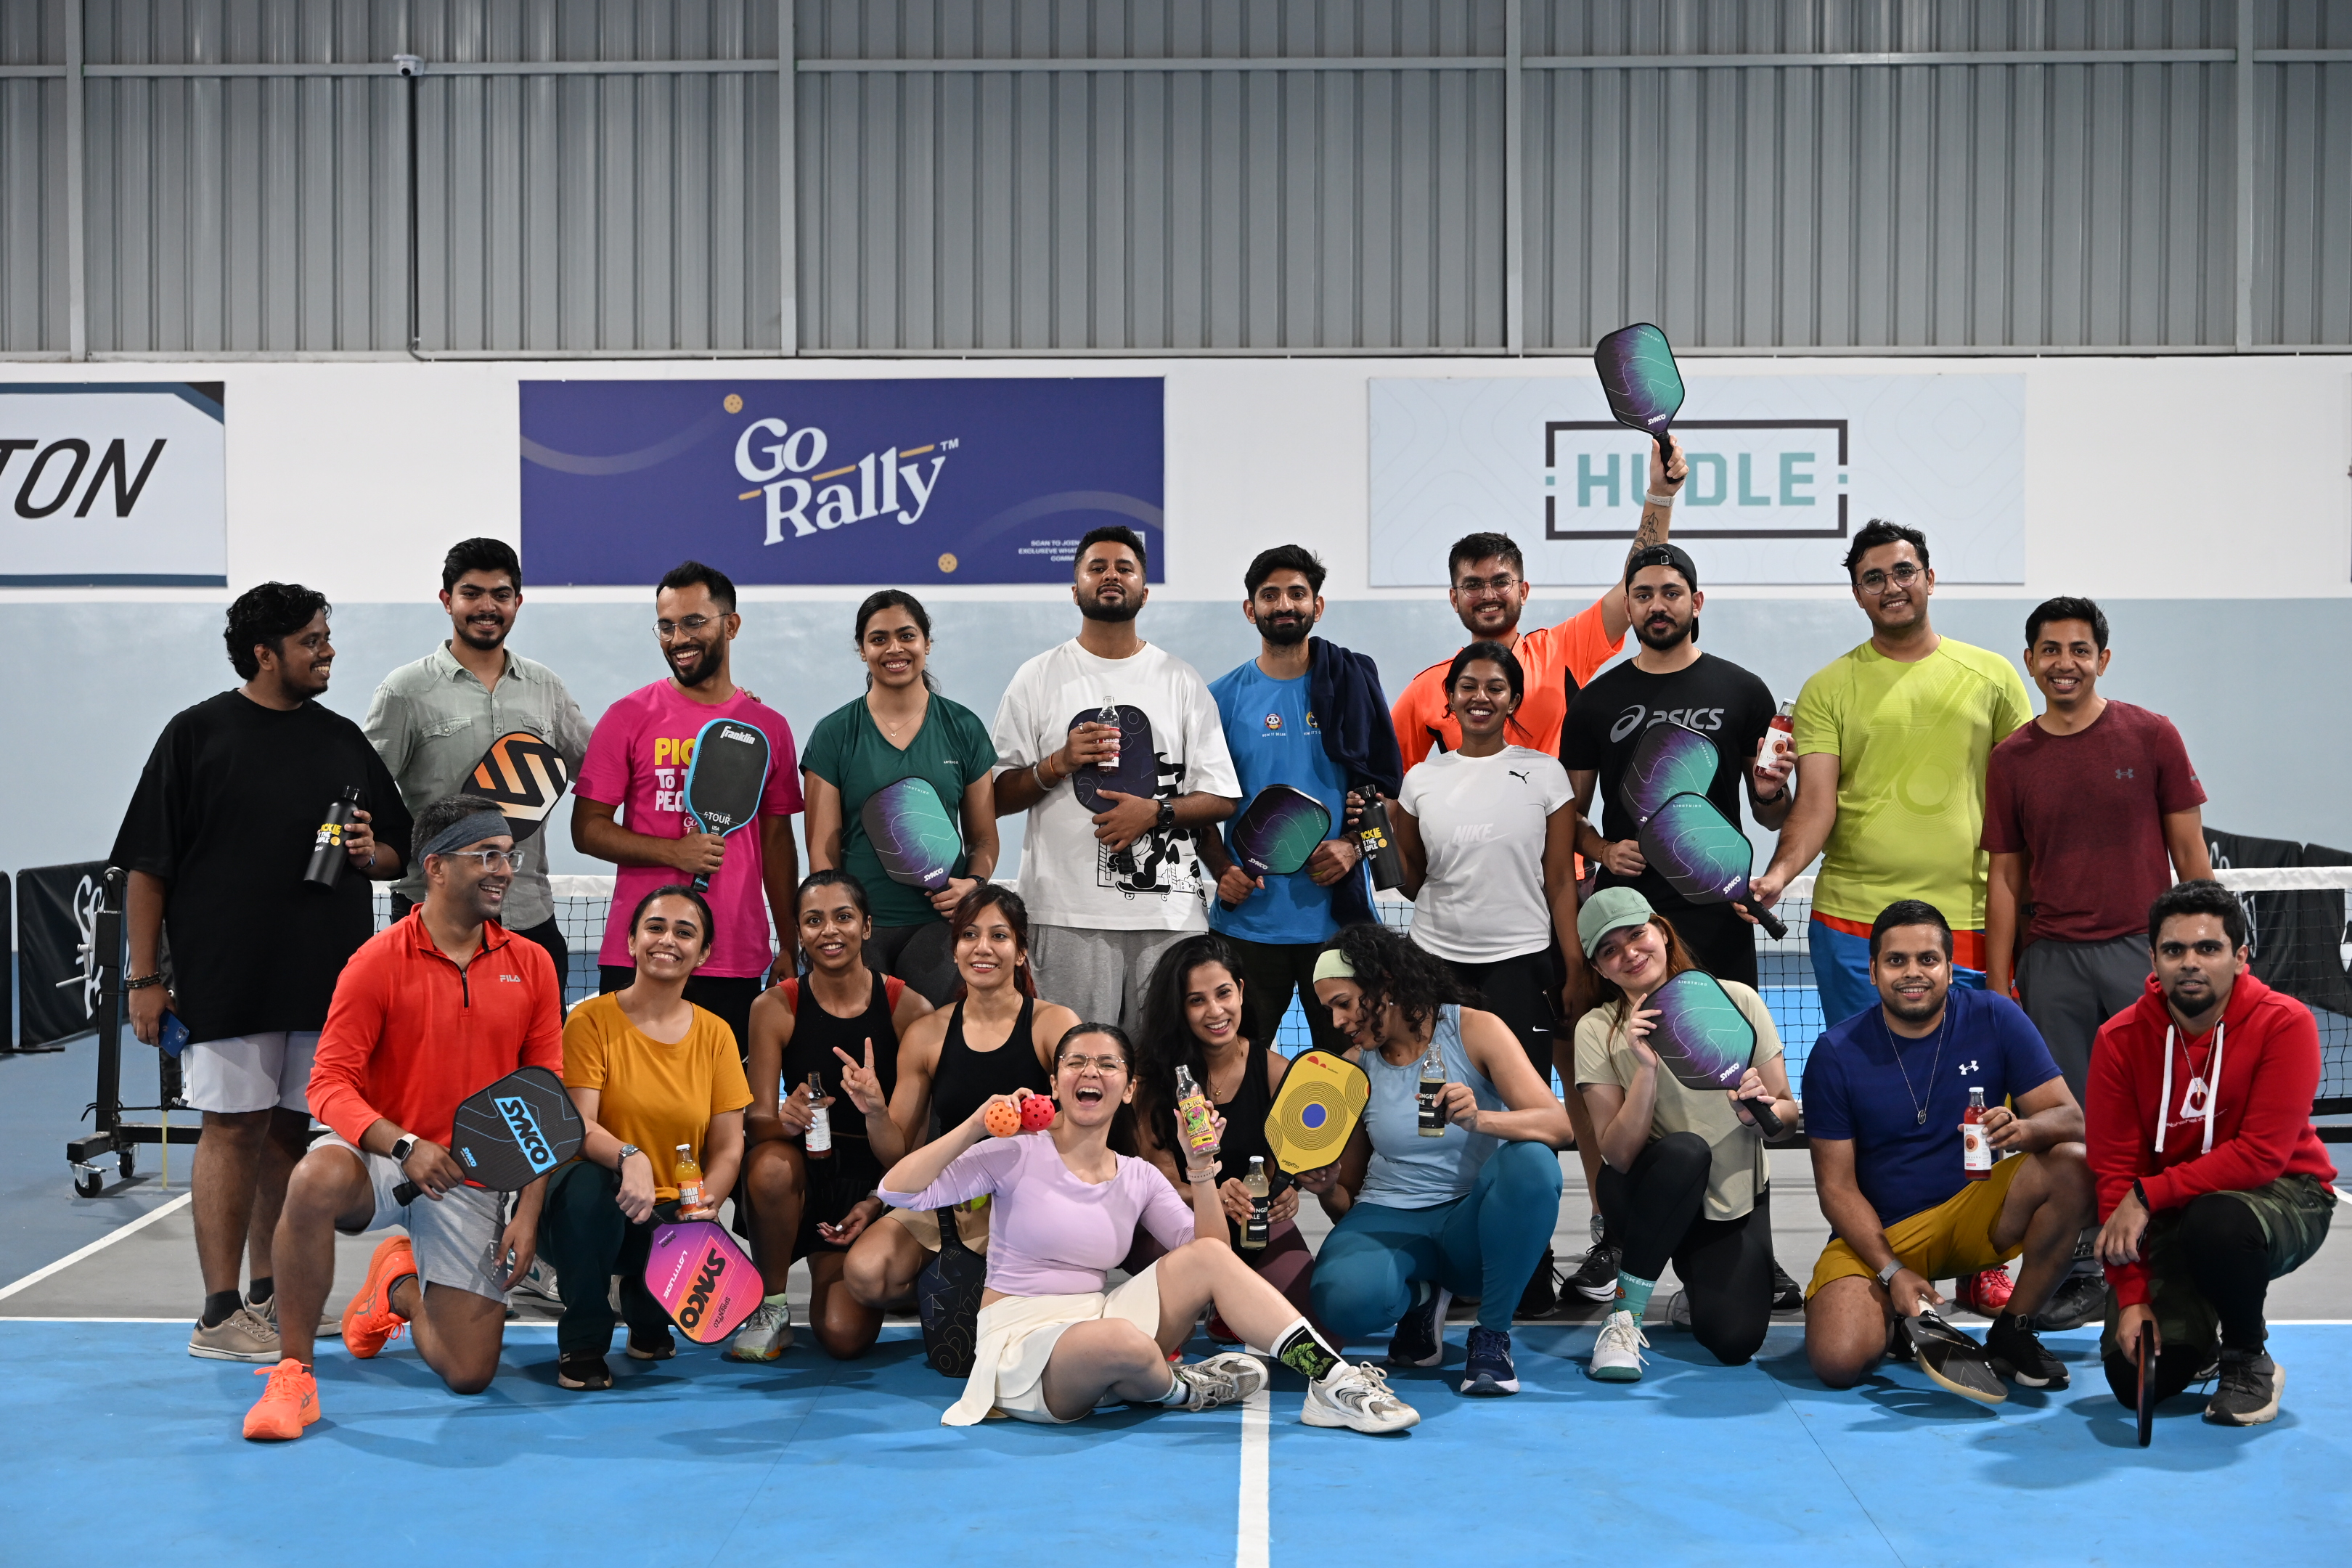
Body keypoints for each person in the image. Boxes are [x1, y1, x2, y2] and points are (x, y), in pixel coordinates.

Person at [113, 581, 412, 1366]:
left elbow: (395, 855)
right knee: (232, 1129)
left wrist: (365, 853)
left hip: (327, 984)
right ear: (265, 653)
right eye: (312, 640)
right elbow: (147, 868)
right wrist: (145, 980)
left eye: (326, 636)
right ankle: (219, 1313)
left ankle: (269, 1297)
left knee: (287, 1132)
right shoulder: (195, 735)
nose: (328, 651)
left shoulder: (344, 738)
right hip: (228, 980)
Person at [1749, 521, 2034, 1318]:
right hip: (1852, 927)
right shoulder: (1830, 687)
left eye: (1903, 571)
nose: (1891, 586)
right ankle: (1888, 1254)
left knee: (1980, 1099)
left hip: (1976, 924)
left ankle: (1982, 1255)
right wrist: (1777, 873)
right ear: (1857, 591)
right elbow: (1814, 807)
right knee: (1879, 1103)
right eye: (1873, 577)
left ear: (1930, 578)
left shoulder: (1991, 676)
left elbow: (2023, 800)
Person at [877, 1022, 1419, 1433]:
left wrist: (1201, 1164)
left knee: (1155, 1308)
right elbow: (897, 1190)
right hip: (1023, 1340)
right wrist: (975, 1125)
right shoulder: (1011, 1153)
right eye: (1076, 1062)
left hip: (1097, 1315)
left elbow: (1210, 1259)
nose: (1091, 1072)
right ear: (1054, 1082)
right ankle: (1181, 1389)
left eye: (1107, 1064)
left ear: (1129, 1088)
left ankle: (1331, 1380)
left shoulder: (1136, 1176)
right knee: (1122, 1345)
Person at [241, 798, 561, 1440]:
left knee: (470, 1373)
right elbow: (327, 1084)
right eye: (488, 856)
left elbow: (542, 1101)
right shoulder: (377, 962)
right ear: (436, 868)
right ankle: (294, 1375)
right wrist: (403, 1143)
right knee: (312, 1181)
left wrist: (526, 1214)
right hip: (385, 1158)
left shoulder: (533, 965)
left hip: (471, 1180)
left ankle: (398, 1287)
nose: (505, 870)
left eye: (509, 855)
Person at [1983, 595, 2210, 1331]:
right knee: (2073, 1130)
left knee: (2160, 1120)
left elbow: (2191, 858)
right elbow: (2006, 880)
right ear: (2031, 662)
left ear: (2103, 660)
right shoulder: (2012, 759)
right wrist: (1997, 987)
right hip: (2051, 966)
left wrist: (2206, 953)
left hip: (2141, 961)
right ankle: (2082, 1267)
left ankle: (2165, 1265)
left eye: (2080, 650)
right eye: (2050, 650)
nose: (2065, 663)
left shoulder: (2152, 736)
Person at [1800, 899, 2096, 1401]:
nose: (1912, 973)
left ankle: (2014, 1331)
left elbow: (2071, 1118)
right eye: (1896, 961)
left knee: (2074, 1165)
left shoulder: (1996, 1017)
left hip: (1975, 1212)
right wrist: (1892, 1271)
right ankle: (1896, 1317)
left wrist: (2023, 1129)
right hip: (1881, 1233)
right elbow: (1836, 1188)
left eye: (1927, 960)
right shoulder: (1835, 1053)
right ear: (1872, 971)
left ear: (1950, 969)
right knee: (1839, 1361)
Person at [2087, 881, 2336, 1427]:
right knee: (2137, 1386)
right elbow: (2113, 1171)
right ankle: (2194, 1337)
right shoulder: (2119, 1040)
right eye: (2174, 950)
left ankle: (2247, 1358)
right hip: (2170, 1210)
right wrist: (2131, 1296)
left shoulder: (2284, 1023)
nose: (2190, 963)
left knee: (2217, 1224)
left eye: (2208, 948)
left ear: (2240, 957)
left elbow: (2261, 1157)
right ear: (2153, 958)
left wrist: (2147, 1193)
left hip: (2284, 1197)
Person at [1387, 640, 1581, 1315]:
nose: (1479, 697)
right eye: (1467, 686)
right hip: (1434, 967)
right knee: (1436, 1116)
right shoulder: (1421, 781)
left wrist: (1574, 967)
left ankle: (1527, 1269)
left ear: (1514, 701)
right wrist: (1381, 830)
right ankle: (1440, 1262)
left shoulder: (1545, 774)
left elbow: (1561, 880)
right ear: (1449, 700)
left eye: (1495, 687)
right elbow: (1411, 883)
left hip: (1521, 964)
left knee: (1519, 1115)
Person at [1305, 924, 1572, 1399]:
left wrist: (1481, 1119)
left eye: (1343, 1002)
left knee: (1533, 1163)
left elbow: (1558, 1126)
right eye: (1330, 1009)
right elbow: (1345, 1199)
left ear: (1383, 981)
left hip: (1470, 1226)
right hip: (1388, 1216)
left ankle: (1491, 1337)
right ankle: (1422, 1298)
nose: (1338, 1020)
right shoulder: (1352, 1067)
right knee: (1340, 1303)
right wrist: (1326, 1188)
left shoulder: (1473, 1028)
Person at [989, 526, 1240, 1027]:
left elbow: (1221, 798)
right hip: (1064, 913)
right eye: (1096, 567)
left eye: (1124, 568)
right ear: (1075, 588)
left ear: (1144, 592)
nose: (1110, 575)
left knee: (1165, 1070)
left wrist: (1156, 812)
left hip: (1169, 913)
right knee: (1077, 1063)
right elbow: (996, 795)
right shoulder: (1037, 678)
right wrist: (1057, 763)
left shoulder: (1181, 680)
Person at [573, 560, 803, 1054]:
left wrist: (788, 943)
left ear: (731, 625)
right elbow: (587, 830)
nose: (679, 638)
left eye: (694, 622)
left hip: (735, 953)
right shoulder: (626, 717)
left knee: (724, 1112)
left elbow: (777, 843)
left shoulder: (769, 727)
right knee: (627, 1106)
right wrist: (675, 853)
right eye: (667, 625)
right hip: (640, 951)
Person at [1571, 889, 1797, 1382]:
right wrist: (1645, 1070)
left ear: (1662, 933)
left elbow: (1787, 1115)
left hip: (1727, 1198)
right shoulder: (1597, 1030)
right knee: (1684, 1152)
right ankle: (1623, 1318)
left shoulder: (1737, 1000)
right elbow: (1619, 1155)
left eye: (1636, 936)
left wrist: (1756, 1113)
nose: (1629, 953)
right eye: (1610, 950)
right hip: (1645, 1194)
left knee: (1735, 1342)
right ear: (1601, 969)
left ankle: (1693, 1289)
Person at [539, 885, 751, 1390]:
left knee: (657, 1323)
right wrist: (627, 1157)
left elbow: (727, 1147)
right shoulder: (590, 1020)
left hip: (669, 1214)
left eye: (685, 932)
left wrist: (705, 1204)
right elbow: (579, 1127)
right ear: (631, 941)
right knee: (591, 1189)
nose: (668, 941)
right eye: (655, 928)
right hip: (588, 1210)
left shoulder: (718, 1034)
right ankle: (585, 1340)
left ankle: (645, 1306)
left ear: (702, 954)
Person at [1196, 545, 1401, 1056]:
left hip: (1335, 927)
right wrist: (1222, 868)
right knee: (1236, 1070)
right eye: (1270, 595)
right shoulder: (1219, 698)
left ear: (1318, 605)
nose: (1284, 604)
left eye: (1296, 593)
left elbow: (1389, 794)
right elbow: (1199, 807)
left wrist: (1355, 848)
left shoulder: (1351, 682)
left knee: (1350, 1070)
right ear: (1251, 610)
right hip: (1246, 926)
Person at [364, 536, 592, 993]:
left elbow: (603, 766)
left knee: (538, 1064)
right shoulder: (405, 690)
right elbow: (364, 790)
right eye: (471, 593)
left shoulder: (545, 687)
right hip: (428, 918)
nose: (486, 607)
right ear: (447, 600)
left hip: (528, 915)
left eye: (500, 595)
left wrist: (708, 708)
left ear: (518, 602)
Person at [1561, 542, 1793, 987]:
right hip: (1628, 913)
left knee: (1723, 1050)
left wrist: (1771, 792)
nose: (1657, 606)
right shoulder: (1594, 701)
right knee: (1632, 1049)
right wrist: (1603, 851)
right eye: (1643, 595)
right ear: (1628, 607)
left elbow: (1772, 817)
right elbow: (1565, 815)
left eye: (1672, 593)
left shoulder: (1743, 691)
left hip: (1719, 908)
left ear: (1697, 602)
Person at [841, 885, 1079, 1316]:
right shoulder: (927, 1033)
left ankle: (996, 1290)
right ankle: (957, 1298)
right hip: (954, 1195)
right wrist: (874, 1110)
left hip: (1031, 1197)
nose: (982, 948)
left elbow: (1085, 1125)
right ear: (954, 950)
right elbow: (896, 1152)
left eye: (999, 936)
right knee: (866, 1273)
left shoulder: (1054, 1023)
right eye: (969, 935)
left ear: (1021, 951)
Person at [730, 870, 934, 1362]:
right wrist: (786, 1118)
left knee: (843, 1336)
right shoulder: (774, 1007)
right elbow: (756, 1123)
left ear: (866, 927)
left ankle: (897, 1278)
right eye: (814, 921)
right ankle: (772, 1305)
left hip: (872, 1180)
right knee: (770, 1164)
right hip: (802, 1173)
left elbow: (916, 1149)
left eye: (843, 917)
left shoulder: (911, 1009)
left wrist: (876, 1201)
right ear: (799, 933)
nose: (829, 931)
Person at [1387, 435, 1685, 769]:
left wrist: (1659, 496)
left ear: (1524, 591)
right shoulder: (1428, 688)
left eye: (1501, 582)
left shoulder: (1562, 652)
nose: (1488, 595)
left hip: (1553, 823)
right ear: (1454, 599)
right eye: (1473, 585)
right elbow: (1387, 782)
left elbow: (1635, 583)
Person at [800, 591, 999, 1005]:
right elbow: (823, 848)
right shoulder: (834, 733)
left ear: (927, 644)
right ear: (862, 650)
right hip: (862, 931)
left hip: (939, 926)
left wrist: (973, 886)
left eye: (907, 635)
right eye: (878, 639)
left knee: (934, 1056)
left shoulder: (963, 727)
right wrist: (842, 923)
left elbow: (983, 838)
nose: (894, 649)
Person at [1131, 934, 1320, 1333]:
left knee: (1319, 1325)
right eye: (1196, 1000)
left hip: (1250, 1220)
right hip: (1177, 1215)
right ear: (1179, 1010)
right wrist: (1211, 1196)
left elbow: (1278, 1169)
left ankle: (1226, 1305)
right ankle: (1202, 1296)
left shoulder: (1275, 1072)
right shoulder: (1152, 1079)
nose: (1215, 1011)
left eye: (1223, 994)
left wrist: (1284, 1195)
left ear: (1241, 991)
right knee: (1161, 1328)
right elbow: (1159, 1178)